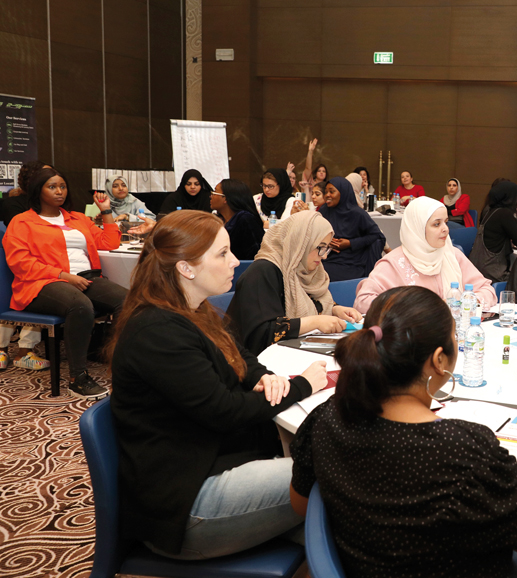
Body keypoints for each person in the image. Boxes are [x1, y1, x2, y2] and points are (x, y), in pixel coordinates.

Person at [289, 285, 517, 577]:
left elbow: (302, 504)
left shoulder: (327, 417)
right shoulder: (462, 448)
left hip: (368, 566)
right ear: (439, 360)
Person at [107, 210, 330, 560]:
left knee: (351, 523)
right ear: (187, 268)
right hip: (188, 501)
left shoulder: (193, 311)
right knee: (333, 472)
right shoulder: (157, 331)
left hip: (216, 464)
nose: (235, 261)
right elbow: (224, 411)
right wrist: (302, 386)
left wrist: (265, 378)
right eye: (223, 254)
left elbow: (243, 357)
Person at [3, 167, 127, 399]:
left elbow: (109, 242)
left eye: (62, 186)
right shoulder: (22, 222)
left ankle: (120, 362)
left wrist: (106, 210)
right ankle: (77, 378)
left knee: (128, 300)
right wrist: (62, 275)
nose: (59, 191)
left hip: (85, 278)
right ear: (38, 191)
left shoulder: (78, 218)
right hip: (41, 283)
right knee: (80, 305)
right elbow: (20, 263)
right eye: (52, 187)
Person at [227, 210, 362, 356]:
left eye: (327, 248)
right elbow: (262, 334)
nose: (323, 257)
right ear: (300, 242)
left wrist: (334, 309)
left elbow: (308, 300)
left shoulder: (302, 267)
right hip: (250, 364)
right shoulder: (262, 272)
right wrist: (315, 322)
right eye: (320, 247)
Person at [355, 197, 496, 314]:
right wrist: (413, 307)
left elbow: (487, 291)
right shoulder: (393, 263)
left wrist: (465, 301)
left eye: (446, 222)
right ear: (417, 228)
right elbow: (363, 302)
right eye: (436, 224)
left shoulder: (452, 255)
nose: (446, 229)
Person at [0, 160, 49, 370]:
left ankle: (25, 351)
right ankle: (2, 350)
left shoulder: (48, 206)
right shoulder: (13, 204)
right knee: (10, 298)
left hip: (40, 263)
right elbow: (22, 238)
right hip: (13, 262)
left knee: (45, 287)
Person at [317, 178, 386, 282]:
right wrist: (326, 242)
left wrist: (350, 243)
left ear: (343, 192)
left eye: (332, 191)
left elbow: (376, 235)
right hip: (326, 256)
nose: (327, 195)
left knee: (326, 275)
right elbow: (315, 233)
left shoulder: (357, 213)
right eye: (326, 192)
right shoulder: (324, 211)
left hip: (352, 260)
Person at [470, 180, 517, 283]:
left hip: (478, 267)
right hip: (492, 271)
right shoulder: (504, 214)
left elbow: (515, 229)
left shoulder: (491, 211)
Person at [210, 179, 265, 260]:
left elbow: (255, 255)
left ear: (225, 198)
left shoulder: (245, 219)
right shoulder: (217, 220)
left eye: (215, 192)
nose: (211, 196)